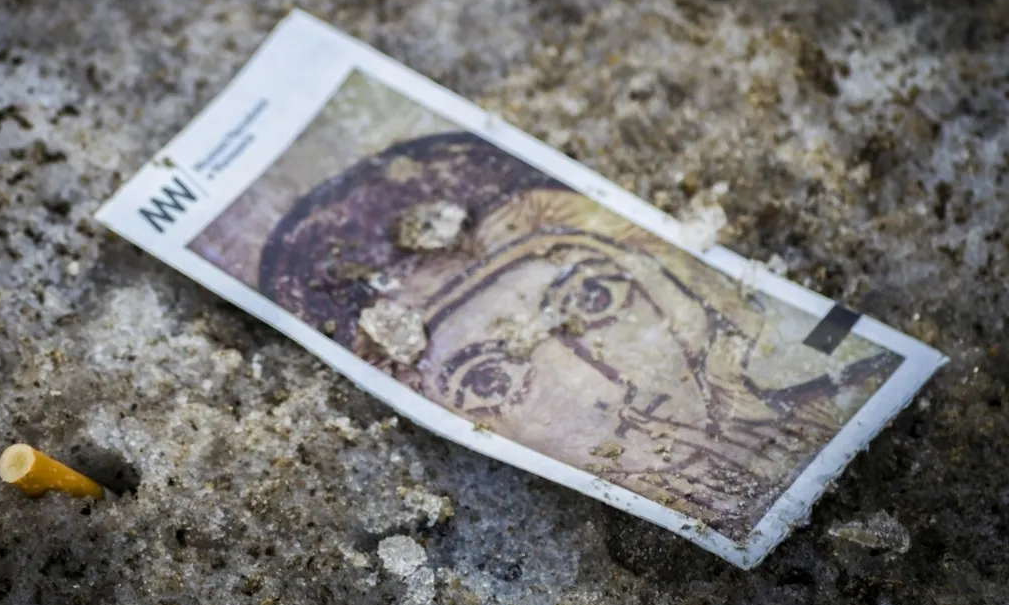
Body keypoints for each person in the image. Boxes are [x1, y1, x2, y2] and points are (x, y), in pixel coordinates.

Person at [258, 131, 899, 535]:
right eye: (490, 378)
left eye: (595, 297)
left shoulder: (853, 383)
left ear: (661, 274)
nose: (609, 385)